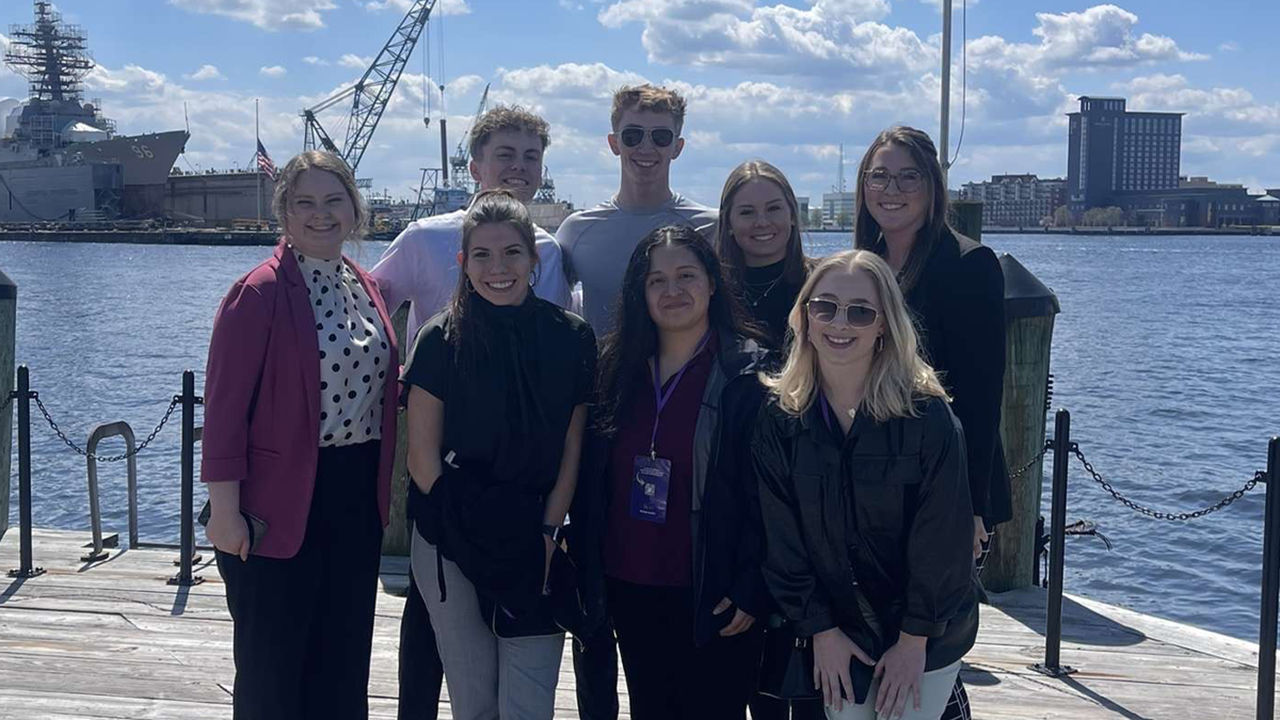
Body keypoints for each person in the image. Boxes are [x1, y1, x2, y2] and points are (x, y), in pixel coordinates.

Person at [369, 105, 573, 720]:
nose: (518, 167)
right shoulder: (426, 238)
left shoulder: (551, 251)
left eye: (530, 156)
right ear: (475, 162)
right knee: (427, 612)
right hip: (441, 457)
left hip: (521, 470)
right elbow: (370, 312)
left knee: (494, 630)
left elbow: (554, 357)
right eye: (504, 154)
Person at [201, 150, 399, 720]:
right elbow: (224, 412)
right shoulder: (257, 293)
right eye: (304, 202)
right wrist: (225, 511)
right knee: (273, 669)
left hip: (355, 495)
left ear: (354, 209)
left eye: (334, 200)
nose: (321, 214)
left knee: (342, 660)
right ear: (283, 212)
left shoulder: (364, 284)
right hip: (278, 499)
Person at [753, 249, 978, 720]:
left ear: (884, 325)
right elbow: (782, 540)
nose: (840, 323)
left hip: (927, 631)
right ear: (805, 317)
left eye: (860, 311)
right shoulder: (781, 419)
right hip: (837, 627)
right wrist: (821, 630)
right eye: (825, 306)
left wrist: (914, 641)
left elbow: (943, 544)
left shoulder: (928, 417)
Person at [402, 190, 595, 720]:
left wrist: (550, 533)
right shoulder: (439, 339)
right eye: (482, 256)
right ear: (463, 265)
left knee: (528, 704)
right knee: (476, 700)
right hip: (450, 531)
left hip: (537, 535)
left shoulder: (572, 338)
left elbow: (571, 448)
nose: (498, 268)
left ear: (534, 259)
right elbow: (422, 459)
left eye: (511, 253)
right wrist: (466, 538)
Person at [571, 225, 770, 720]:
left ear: (712, 283)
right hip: (629, 581)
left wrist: (752, 583)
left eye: (686, 275)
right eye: (656, 280)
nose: (672, 290)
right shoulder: (614, 368)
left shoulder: (749, 376)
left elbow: (770, 496)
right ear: (639, 292)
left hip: (714, 590)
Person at [852, 126, 1008, 720]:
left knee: (932, 636)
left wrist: (971, 508)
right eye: (878, 175)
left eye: (907, 176)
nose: (891, 189)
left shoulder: (969, 265)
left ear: (933, 187)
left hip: (944, 487)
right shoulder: (863, 266)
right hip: (877, 484)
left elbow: (982, 395)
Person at [557, 84, 717, 336]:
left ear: (677, 147)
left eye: (660, 137)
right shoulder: (575, 231)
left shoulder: (710, 227)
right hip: (603, 375)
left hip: (687, 375)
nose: (646, 147)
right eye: (633, 136)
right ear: (614, 143)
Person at [714, 159, 809, 350]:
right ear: (729, 223)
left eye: (773, 209)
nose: (762, 222)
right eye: (747, 212)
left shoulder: (821, 285)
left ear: (791, 214)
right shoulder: (712, 292)